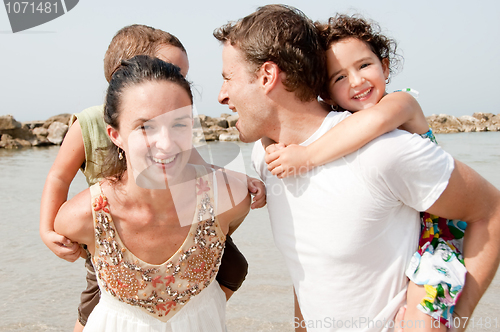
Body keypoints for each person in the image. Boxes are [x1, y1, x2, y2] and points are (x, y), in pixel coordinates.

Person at [214, 4, 500, 331]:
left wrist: (451, 319)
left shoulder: (383, 151)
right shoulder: (267, 157)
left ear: (267, 76)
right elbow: (309, 269)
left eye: (227, 78)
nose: (222, 95)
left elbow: (491, 211)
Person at [40, 24, 264, 332]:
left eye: (180, 125)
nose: (166, 143)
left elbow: (203, 169)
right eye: (145, 127)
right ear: (115, 134)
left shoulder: (231, 198)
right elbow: (57, 176)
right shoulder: (80, 219)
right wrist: (46, 228)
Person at [263, 14, 466, 328]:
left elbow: (372, 123)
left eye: (364, 66)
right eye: (339, 78)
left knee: (420, 322)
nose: (356, 82)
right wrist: (271, 146)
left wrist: (305, 156)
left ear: (384, 66)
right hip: (406, 243)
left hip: (440, 236)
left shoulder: (401, 103)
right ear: (327, 95)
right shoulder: (337, 122)